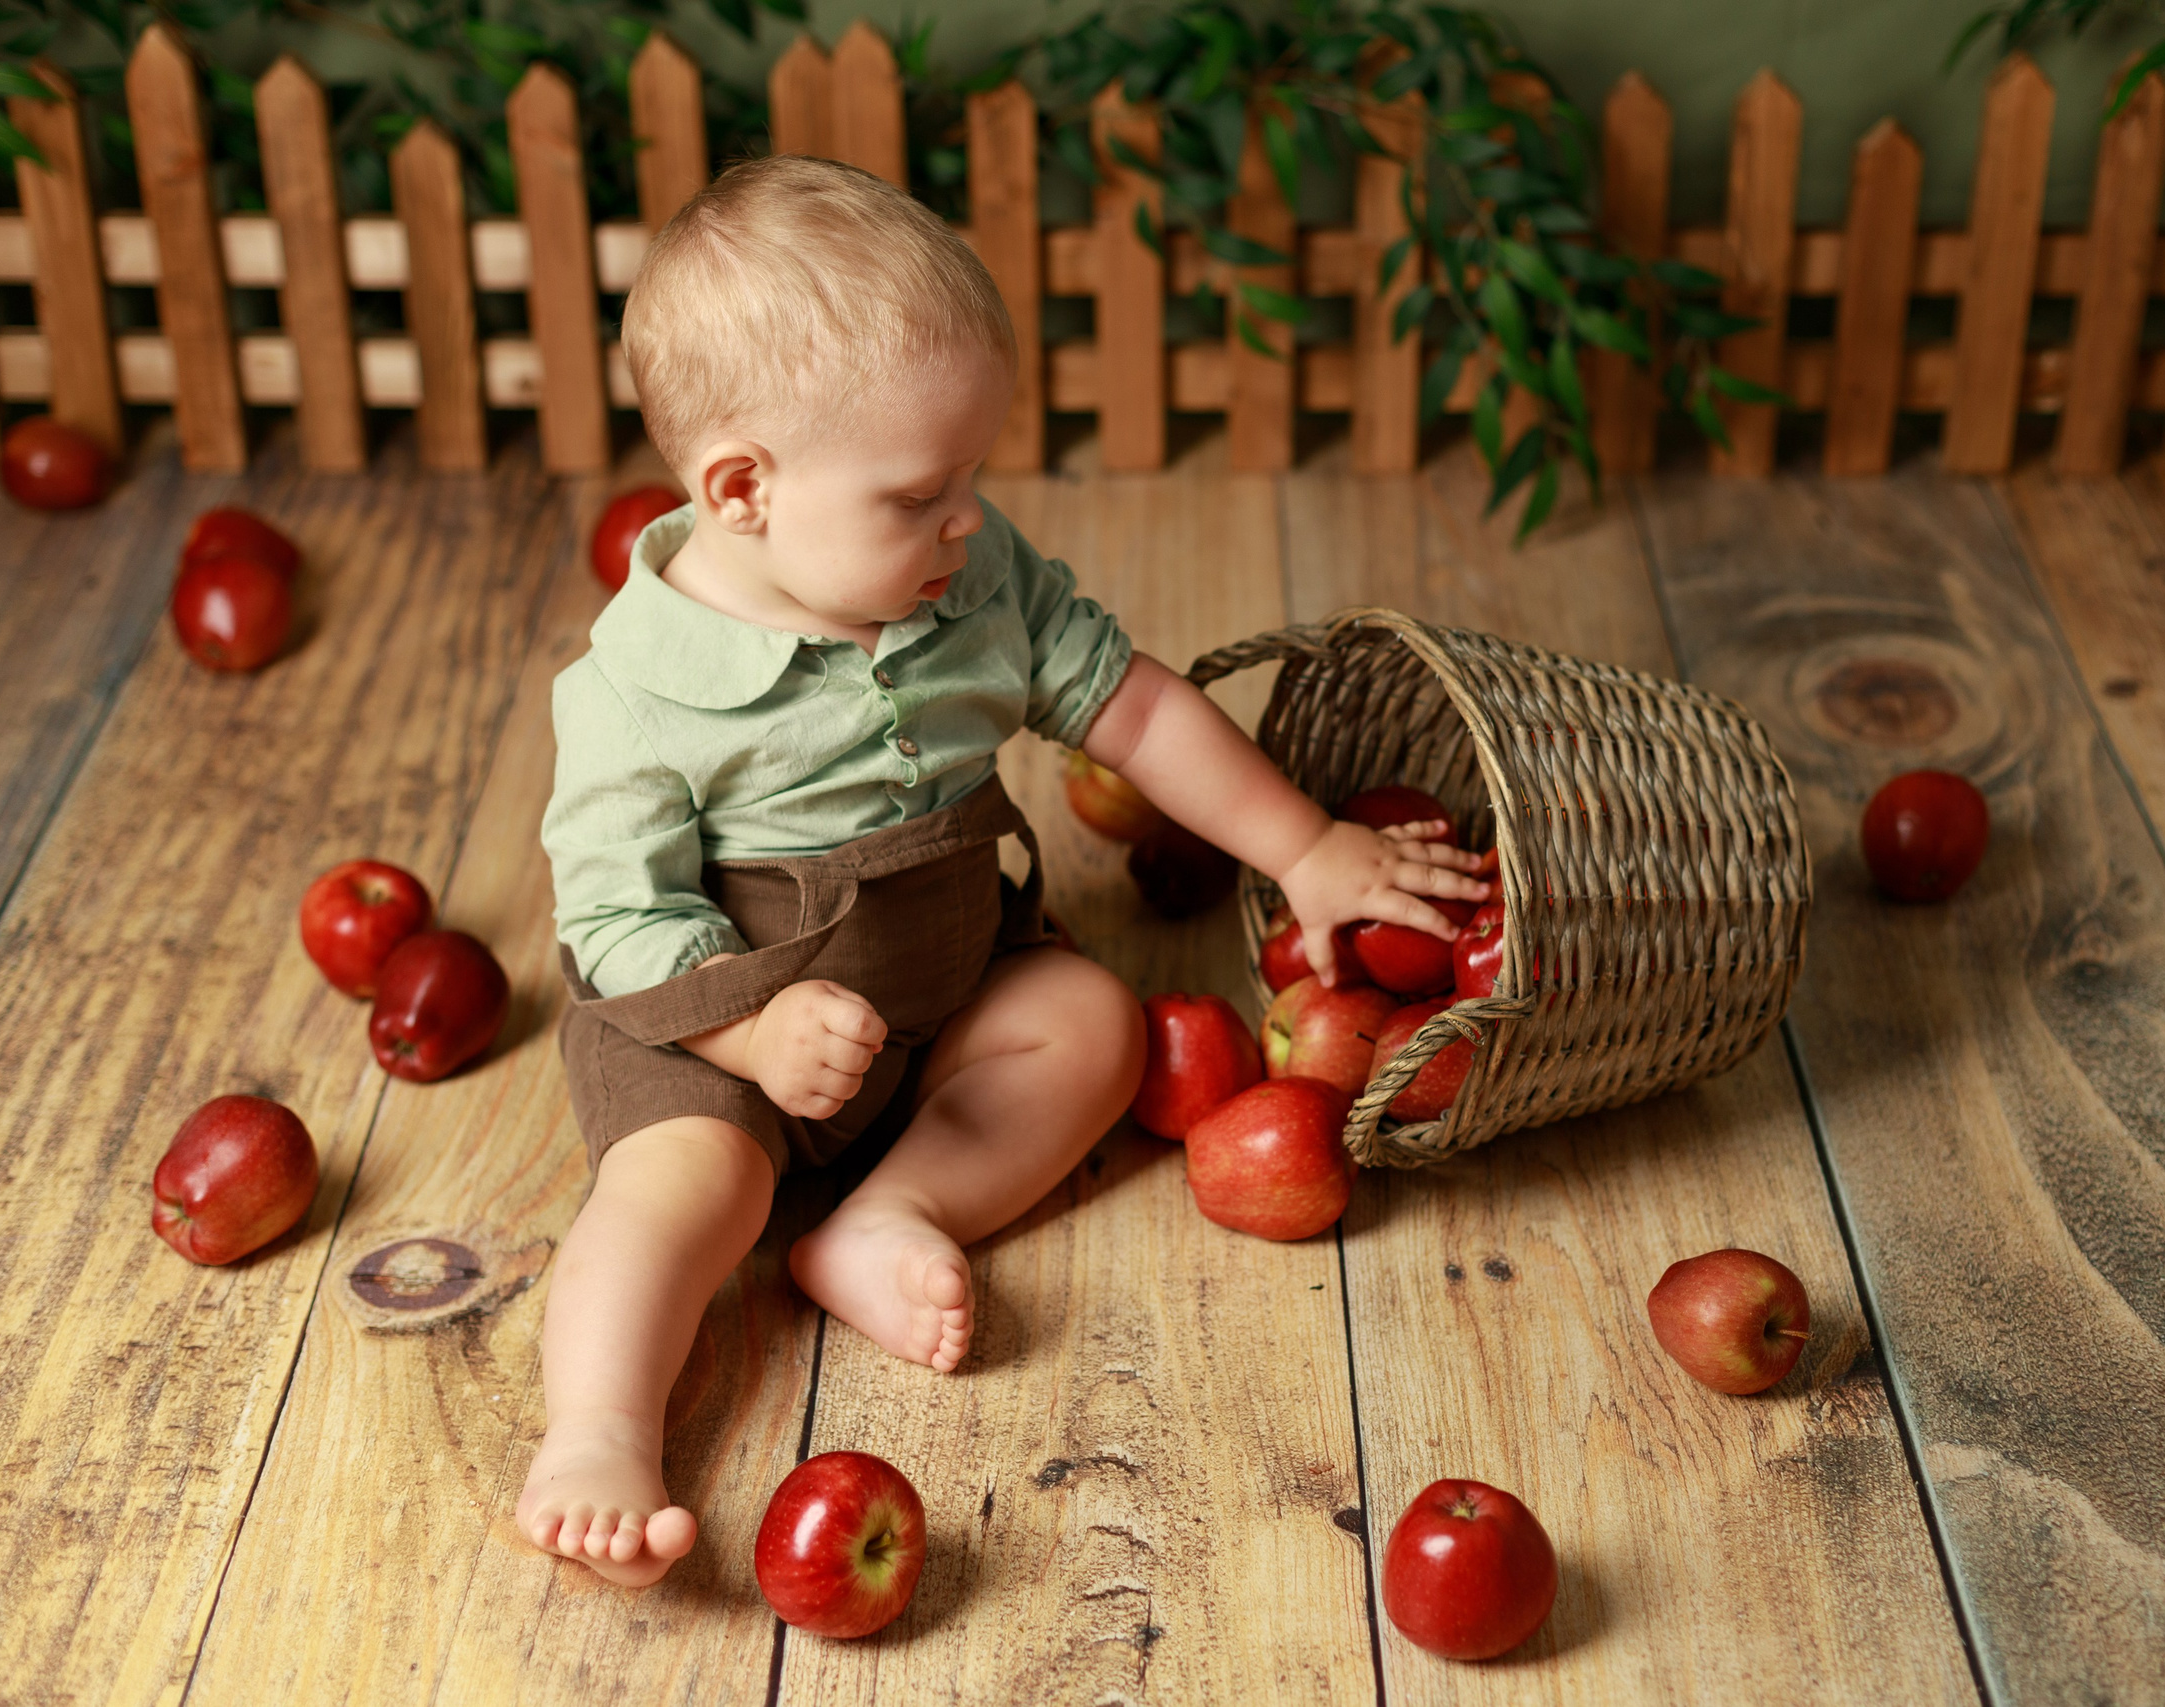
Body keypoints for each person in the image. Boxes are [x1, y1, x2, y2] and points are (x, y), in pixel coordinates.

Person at [519, 156, 1489, 1585]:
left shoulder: (965, 578)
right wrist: (753, 1031)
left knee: (1087, 1024)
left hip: (942, 988)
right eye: (922, 493)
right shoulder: (633, 691)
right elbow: (613, 921)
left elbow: (1131, 708)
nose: (967, 518)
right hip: (721, 1036)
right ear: (741, 489)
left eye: (972, 476)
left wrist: (1308, 847)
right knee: (684, 1191)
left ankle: (893, 1211)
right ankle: (598, 1433)